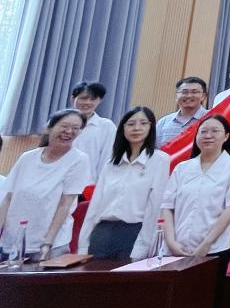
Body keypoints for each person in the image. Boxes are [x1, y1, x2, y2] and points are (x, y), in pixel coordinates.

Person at [77, 106, 171, 260]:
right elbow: (95, 205)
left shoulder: (159, 160)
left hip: (132, 233)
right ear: (123, 128)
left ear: (151, 127)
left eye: (143, 123)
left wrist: (143, 245)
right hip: (101, 232)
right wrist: (83, 243)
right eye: (131, 124)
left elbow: (154, 208)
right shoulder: (111, 163)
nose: (136, 128)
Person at [0, 110, 90, 262]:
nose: (69, 131)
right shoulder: (27, 158)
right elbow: (8, 198)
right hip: (13, 241)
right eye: (65, 126)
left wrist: (48, 243)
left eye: (75, 128)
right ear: (49, 127)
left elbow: (65, 205)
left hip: (50, 245)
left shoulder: (79, 160)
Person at [160, 114, 230, 260]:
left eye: (215, 131)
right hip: (176, 250)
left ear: (226, 136)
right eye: (203, 131)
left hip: (213, 250)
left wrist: (207, 243)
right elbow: (167, 207)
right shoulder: (182, 168)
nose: (208, 135)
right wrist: (171, 242)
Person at [69, 81, 115, 181]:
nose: (87, 102)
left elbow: (107, 159)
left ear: (99, 101)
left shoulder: (106, 127)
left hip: (88, 184)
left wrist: (99, 186)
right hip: (58, 182)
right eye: (83, 98)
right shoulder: (58, 123)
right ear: (72, 99)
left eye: (93, 99)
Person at [156, 77, 209, 147]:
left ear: (203, 96)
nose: (189, 96)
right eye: (184, 92)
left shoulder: (212, 118)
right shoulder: (163, 122)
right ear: (176, 96)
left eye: (194, 92)